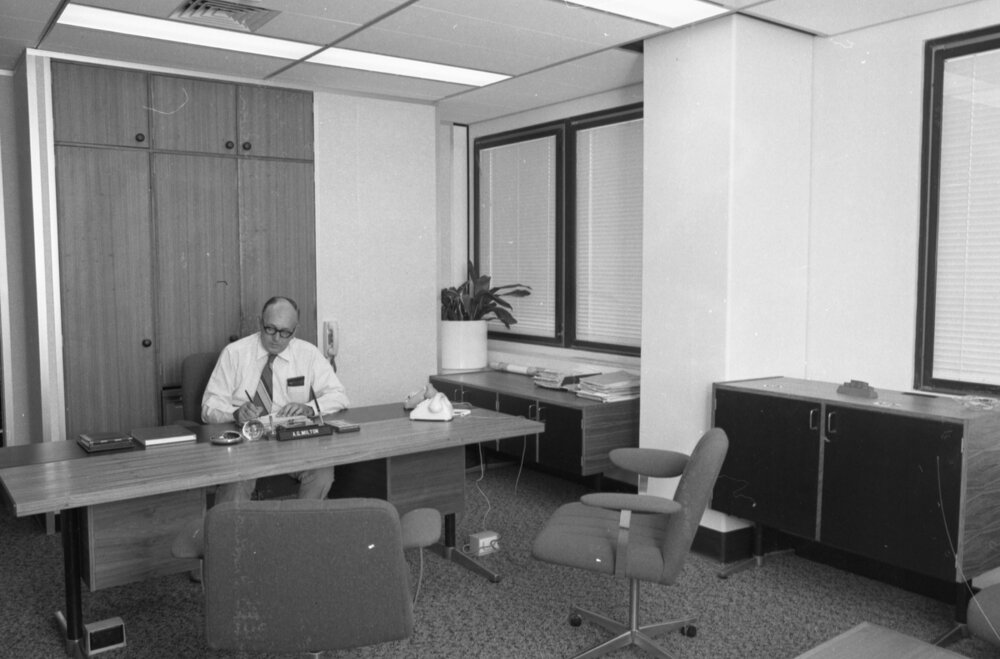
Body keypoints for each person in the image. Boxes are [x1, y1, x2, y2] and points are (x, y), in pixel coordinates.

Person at [202, 296, 349, 502]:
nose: (276, 338)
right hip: (245, 443)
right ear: (259, 322)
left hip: (291, 442)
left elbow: (339, 396)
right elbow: (209, 407)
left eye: (285, 332)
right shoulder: (234, 354)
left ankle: (301, 528)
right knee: (236, 482)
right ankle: (233, 533)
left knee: (321, 473)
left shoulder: (308, 354)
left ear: (295, 331)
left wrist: (309, 408)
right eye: (270, 329)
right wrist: (235, 413)